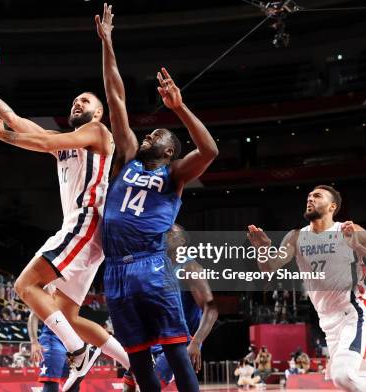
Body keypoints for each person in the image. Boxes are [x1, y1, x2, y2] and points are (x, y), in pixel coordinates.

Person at [0, 39, 130, 389]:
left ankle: (78, 351)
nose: (77, 102)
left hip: (85, 224)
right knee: (68, 315)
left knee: (25, 285)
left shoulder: (98, 132)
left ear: (97, 113)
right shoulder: (69, 146)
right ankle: (137, 365)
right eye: (74, 100)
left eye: (85, 100)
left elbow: (42, 142)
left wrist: (3, 137)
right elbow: (16, 119)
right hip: (90, 237)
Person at [96, 4, 218, 391]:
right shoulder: (129, 156)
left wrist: (179, 108)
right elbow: (115, 97)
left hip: (151, 266)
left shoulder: (174, 173)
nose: (149, 135)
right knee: (137, 358)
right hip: (114, 269)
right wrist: (108, 43)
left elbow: (210, 151)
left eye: (158, 136)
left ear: (170, 151)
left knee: (176, 351)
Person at [247, 185, 366, 392]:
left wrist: (359, 247)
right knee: (357, 381)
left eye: (317, 196)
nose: (310, 198)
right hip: (327, 322)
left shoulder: (348, 231)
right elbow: (268, 267)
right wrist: (262, 249)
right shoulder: (296, 236)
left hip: (355, 313)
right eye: (309, 195)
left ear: (332, 207)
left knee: (343, 375)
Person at [124, 224, 219, 390]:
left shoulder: (190, 267)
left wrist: (196, 342)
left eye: (170, 232)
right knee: (128, 384)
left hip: (182, 341)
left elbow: (211, 308)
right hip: (155, 341)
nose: (165, 234)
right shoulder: (157, 268)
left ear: (182, 240)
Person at [29, 302, 83, 392]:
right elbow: (34, 315)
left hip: (71, 344)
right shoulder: (50, 289)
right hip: (53, 342)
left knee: (72, 385)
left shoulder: (76, 293)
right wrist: (34, 342)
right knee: (52, 384)